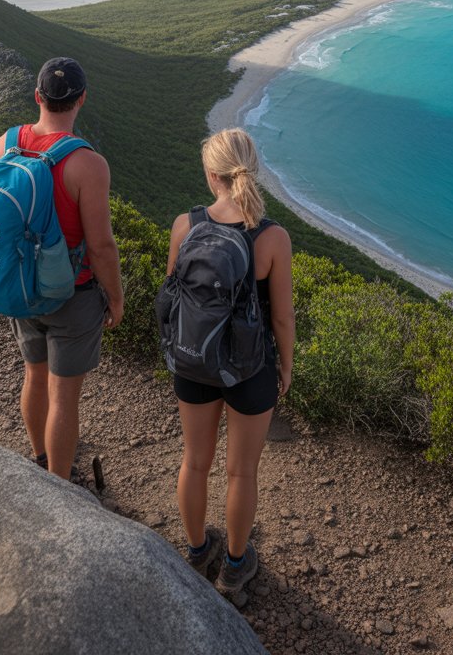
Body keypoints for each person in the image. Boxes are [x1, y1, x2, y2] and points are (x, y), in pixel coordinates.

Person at [166, 128, 294, 601]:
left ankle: (198, 551)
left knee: (194, 462)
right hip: (249, 368)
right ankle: (236, 568)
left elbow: (174, 297)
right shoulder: (273, 237)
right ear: (250, 171)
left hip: (194, 362)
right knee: (241, 473)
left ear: (211, 174)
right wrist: (286, 367)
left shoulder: (186, 226)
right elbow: (280, 316)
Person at [0, 57, 124, 482]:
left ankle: (41, 459)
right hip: (72, 293)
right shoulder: (88, 164)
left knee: (33, 374)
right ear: (82, 98)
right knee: (64, 397)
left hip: (22, 290)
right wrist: (116, 298)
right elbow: (100, 246)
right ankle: (61, 487)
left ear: (37, 97)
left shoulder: (4, 144)